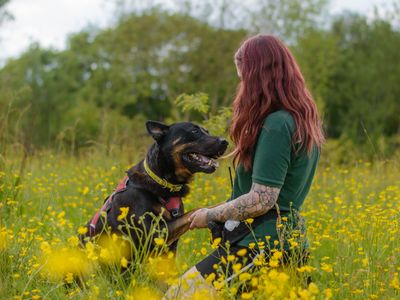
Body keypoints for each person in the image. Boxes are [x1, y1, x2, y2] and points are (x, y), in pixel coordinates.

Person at [164, 34, 324, 299]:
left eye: (244, 78)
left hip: (263, 243)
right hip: (286, 241)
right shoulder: (302, 120)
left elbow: (263, 200)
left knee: (179, 295)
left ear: (259, 76)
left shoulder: (277, 124)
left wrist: (211, 215)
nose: (242, 86)